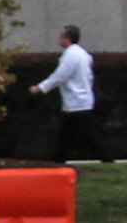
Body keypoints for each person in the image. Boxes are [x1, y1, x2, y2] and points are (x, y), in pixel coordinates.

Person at [32, 24, 112, 164]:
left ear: (67, 37)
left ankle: (107, 160)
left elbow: (60, 76)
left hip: (76, 103)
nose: (60, 39)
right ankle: (58, 161)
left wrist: (40, 87)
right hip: (81, 102)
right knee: (68, 136)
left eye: (61, 36)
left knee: (87, 136)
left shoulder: (70, 56)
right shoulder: (84, 54)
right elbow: (89, 78)